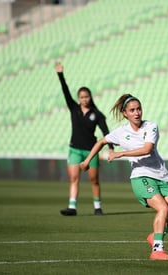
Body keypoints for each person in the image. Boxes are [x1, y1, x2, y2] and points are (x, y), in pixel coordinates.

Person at [80, 94, 168, 260]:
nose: (137, 113)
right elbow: (101, 141)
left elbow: (147, 150)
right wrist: (87, 161)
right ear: (125, 114)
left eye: (139, 109)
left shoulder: (151, 126)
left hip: (161, 176)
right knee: (163, 208)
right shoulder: (121, 132)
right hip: (141, 176)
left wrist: (120, 153)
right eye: (132, 110)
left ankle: (155, 236)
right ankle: (157, 251)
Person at [55, 62, 113, 216]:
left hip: (90, 151)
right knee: (74, 178)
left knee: (94, 179)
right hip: (74, 148)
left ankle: (97, 207)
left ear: (90, 97)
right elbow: (65, 92)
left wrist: (111, 148)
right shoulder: (74, 109)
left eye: (86, 96)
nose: (84, 99)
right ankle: (72, 207)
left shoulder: (97, 114)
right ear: (78, 98)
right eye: (81, 97)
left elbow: (106, 132)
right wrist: (60, 75)